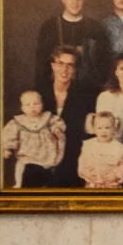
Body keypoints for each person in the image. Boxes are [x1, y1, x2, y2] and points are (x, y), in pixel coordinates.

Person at [33, 0, 106, 97]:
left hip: (88, 93)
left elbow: (103, 65)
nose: (74, 2)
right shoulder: (49, 27)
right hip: (56, 93)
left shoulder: (96, 28)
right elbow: (41, 65)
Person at [42, 46, 94, 185]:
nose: (64, 70)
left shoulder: (84, 96)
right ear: (53, 65)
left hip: (72, 161)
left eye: (70, 65)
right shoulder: (38, 93)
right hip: (42, 158)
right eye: (60, 64)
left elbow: (88, 134)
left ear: (74, 70)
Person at [0, 88, 64, 188]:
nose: (32, 107)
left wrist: (56, 129)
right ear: (22, 108)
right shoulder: (18, 121)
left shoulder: (48, 117)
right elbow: (10, 135)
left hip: (46, 152)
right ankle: (18, 183)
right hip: (27, 153)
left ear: (41, 105)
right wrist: (7, 148)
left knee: (47, 171)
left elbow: (58, 123)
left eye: (36, 104)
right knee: (21, 165)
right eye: (28, 105)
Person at [75, 108, 123, 189]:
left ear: (114, 129)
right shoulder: (89, 145)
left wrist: (115, 174)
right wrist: (86, 173)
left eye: (107, 128)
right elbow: (82, 161)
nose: (103, 131)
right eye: (100, 128)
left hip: (111, 185)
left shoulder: (119, 148)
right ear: (94, 129)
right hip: (92, 184)